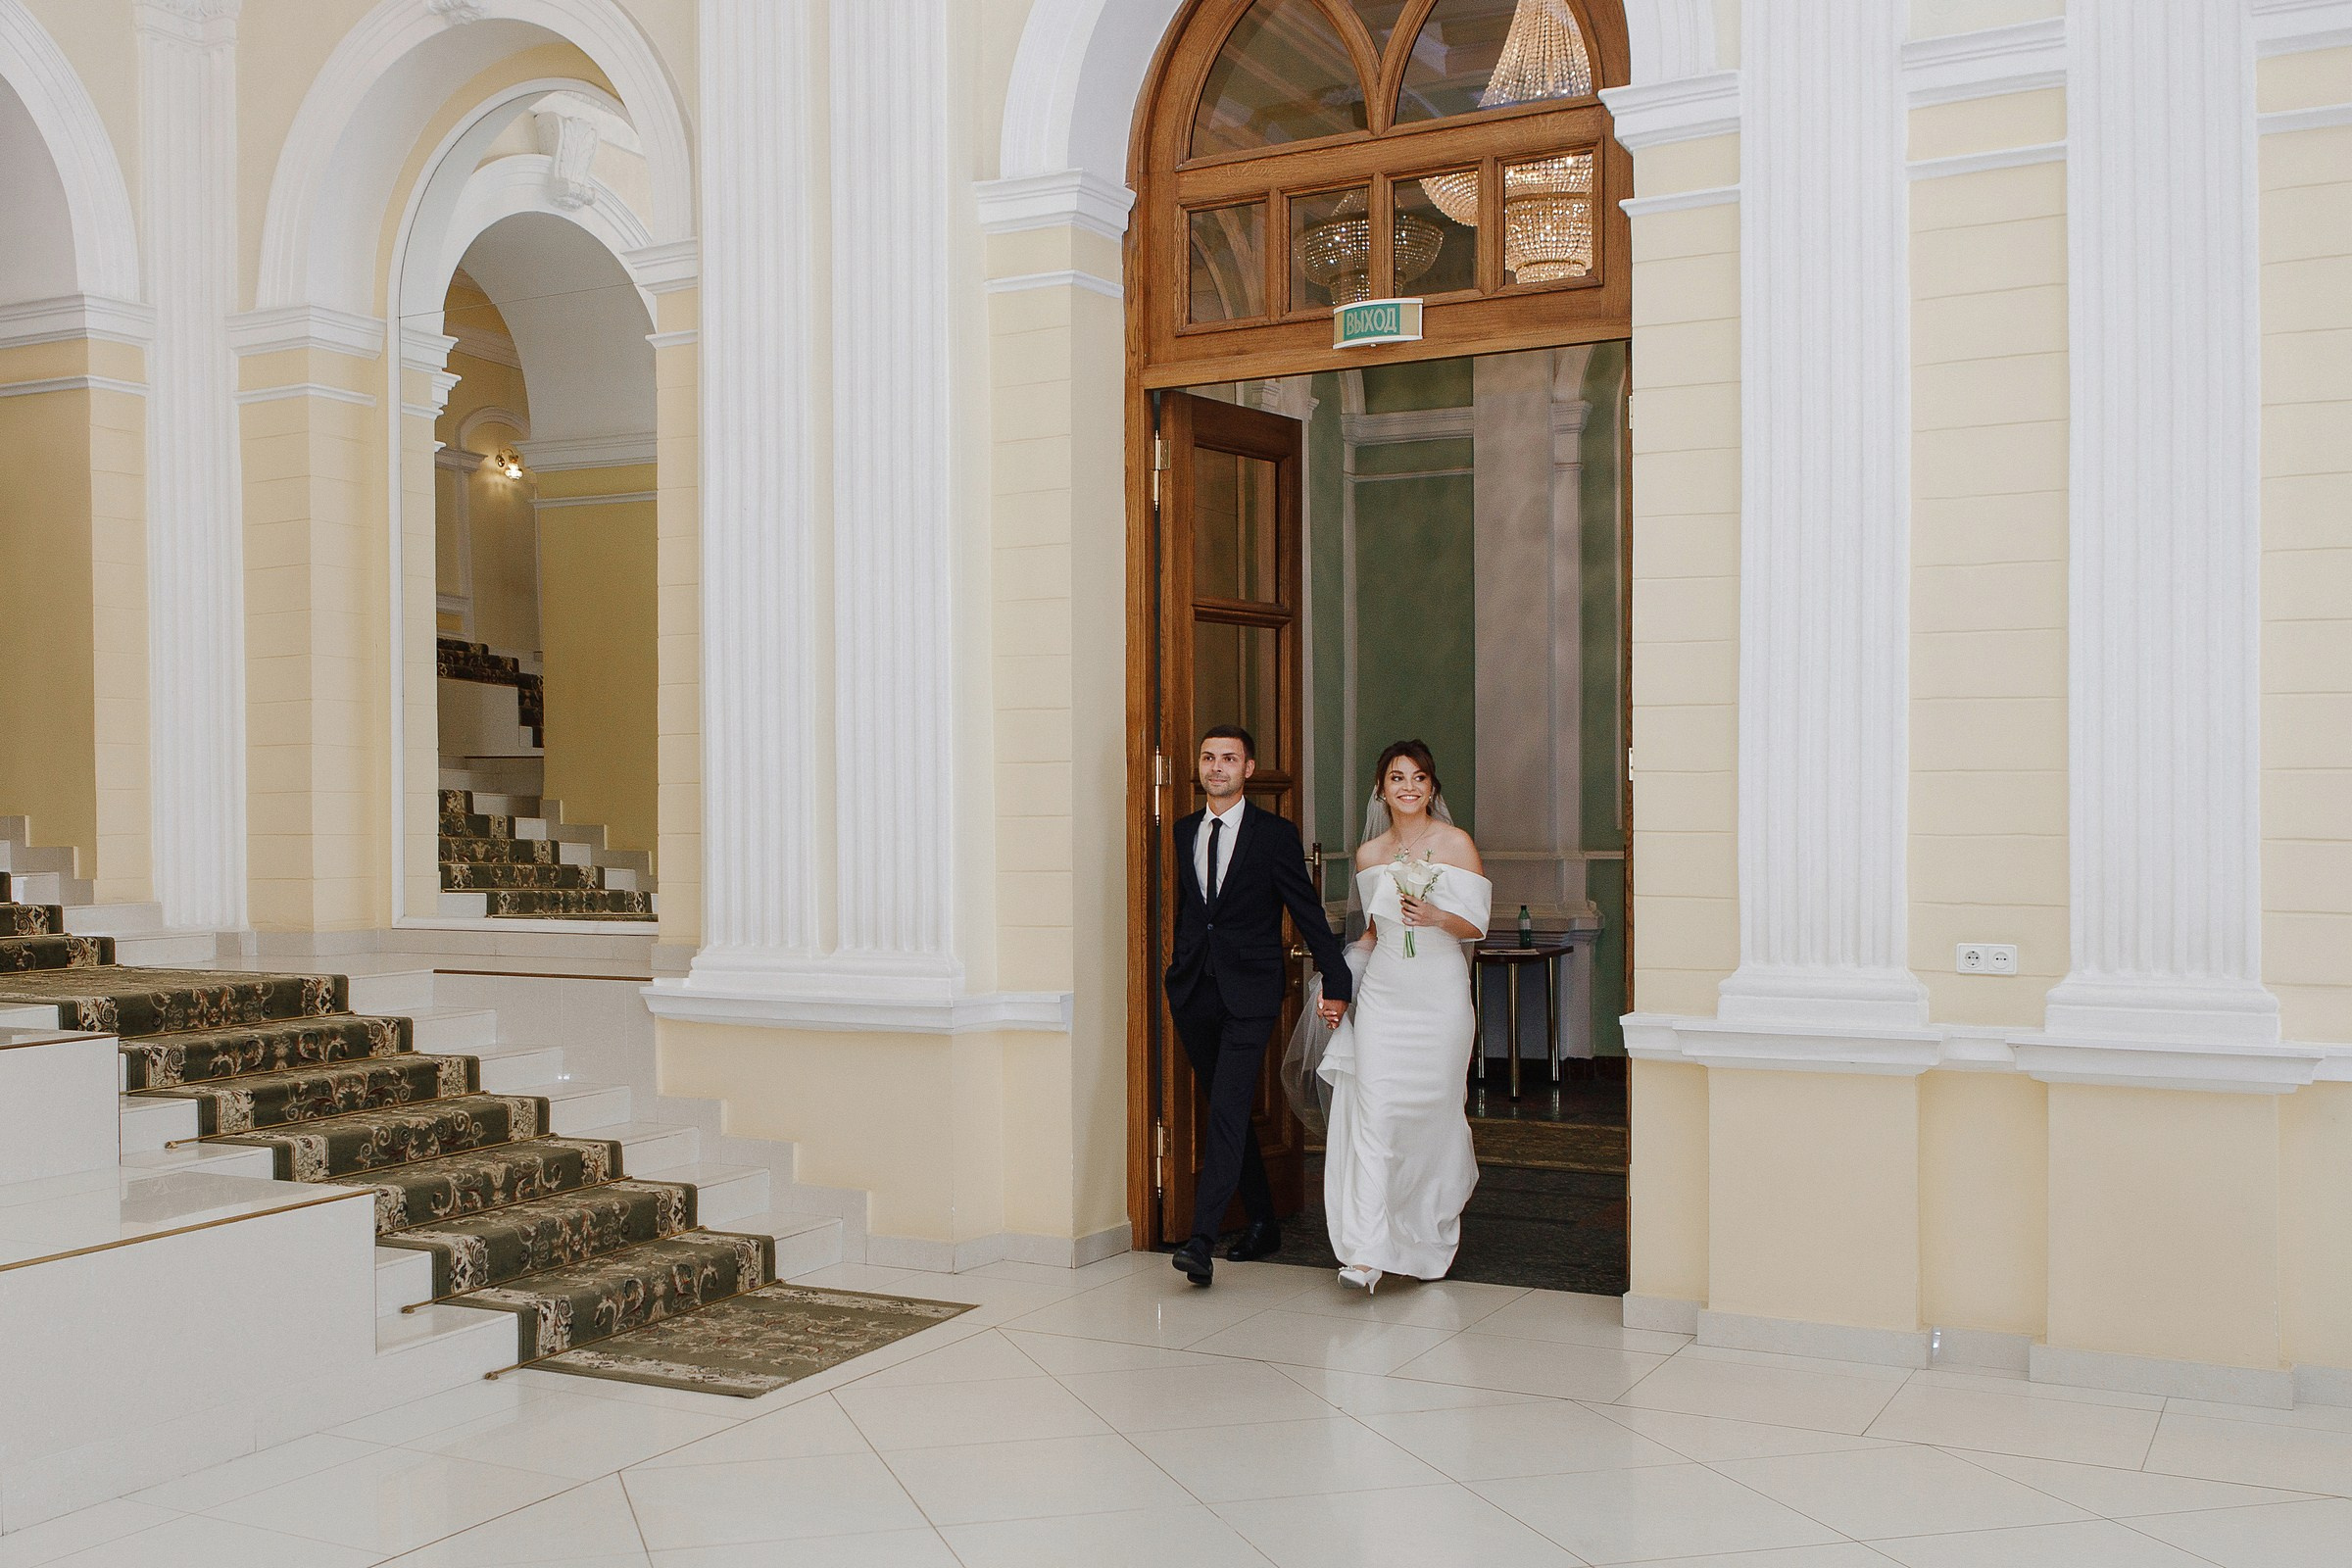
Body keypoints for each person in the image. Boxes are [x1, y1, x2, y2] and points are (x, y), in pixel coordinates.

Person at [1164, 725, 1356, 1287]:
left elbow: (1306, 909)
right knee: (1228, 1108)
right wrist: (1177, 970)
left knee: (1225, 1108)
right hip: (1195, 990)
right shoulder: (1183, 832)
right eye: (1207, 758)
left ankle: (1200, 1240)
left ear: (1249, 769)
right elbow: (1190, 911)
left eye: (1229, 759)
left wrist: (1336, 977)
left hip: (1250, 993)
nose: (1216, 767)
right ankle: (1263, 1220)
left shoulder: (1273, 834)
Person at [1319, 739, 1491, 1294]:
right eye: (1397, 777)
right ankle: (1367, 1251)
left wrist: (1439, 915)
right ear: (1382, 789)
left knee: (1434, 1118)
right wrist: (1340, 988)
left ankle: (1426, 1233)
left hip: (1439, 998)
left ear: (1432, 787)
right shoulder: (1370, 855)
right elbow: (1371, 932)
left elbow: (1477, 926)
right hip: (1386, 1000)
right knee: (1375, 1118)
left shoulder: (1456, 844)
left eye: (1419, 776)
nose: (1409, 786)